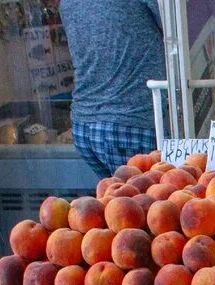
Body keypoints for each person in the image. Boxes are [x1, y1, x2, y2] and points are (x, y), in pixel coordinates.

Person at [60, 0, 166, 177]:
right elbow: (178, 31)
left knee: (118, 198)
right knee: (142, 200)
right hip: (130, 121)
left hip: (85, 125)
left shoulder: (67, 3)